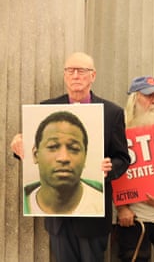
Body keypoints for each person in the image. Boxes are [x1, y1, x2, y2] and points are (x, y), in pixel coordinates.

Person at [10, 52, 130, 262]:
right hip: (59, 219)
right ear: (65, 76)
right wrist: (18, 148)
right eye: (70, 71)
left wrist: (110, 167)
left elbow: (123, 158)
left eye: (82, 71)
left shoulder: (112, 112)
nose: (75, 75)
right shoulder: (45, 108)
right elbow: (33, 151)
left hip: (94, 218)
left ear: (93, 76)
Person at [114, 75, 154, 262]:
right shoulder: (120, 128)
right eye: (148, 95)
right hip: (134, 218)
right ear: (134, 98)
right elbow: (113, 168)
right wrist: (122, 208)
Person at [24, 111, 103, 215]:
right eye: (52, 146)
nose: (64, 158)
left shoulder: (101, 203)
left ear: (85, 157)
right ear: (35, 154)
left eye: (74, 148)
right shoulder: (19, 203)